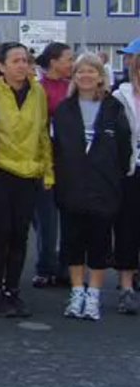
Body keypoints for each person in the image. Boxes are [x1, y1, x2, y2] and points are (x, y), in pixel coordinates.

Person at [53, 54, 132, 321]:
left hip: (104, 187)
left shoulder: (113, 108)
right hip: (72, 186)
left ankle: (94, 294)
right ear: (73, 77)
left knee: (99, 243)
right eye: (80, 72)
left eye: (91, 71)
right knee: (73, 242)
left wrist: (114, 177)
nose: (85, 76)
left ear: (101, 76)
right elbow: (57, 149)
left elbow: (124, 149)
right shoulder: (64, 109)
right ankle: (77, 292)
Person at [0, 42, 53, 318]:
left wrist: (48, 170)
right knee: (2, 233)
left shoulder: (38, 92)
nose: (22, 65)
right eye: (15, 61)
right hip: (1, 170)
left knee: (20, 235)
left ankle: (13, 289)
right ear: (1, 66)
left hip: (30, 172)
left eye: (25, 60)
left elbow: (43, 134)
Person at [30, 42, 73, 289]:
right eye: (68, 58)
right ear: (54, 61)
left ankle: (65, 265)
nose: (71, 63)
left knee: (68, 216)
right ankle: (46, 266)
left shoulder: (72, 88)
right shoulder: (40, 89)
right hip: (44, 158)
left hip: (69, 161)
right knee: (45, 218)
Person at [112, 38, 140, 314]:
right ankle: (126, 284)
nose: (130, 63)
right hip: (130, 170)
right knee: (127, 227)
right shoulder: (120, 96)